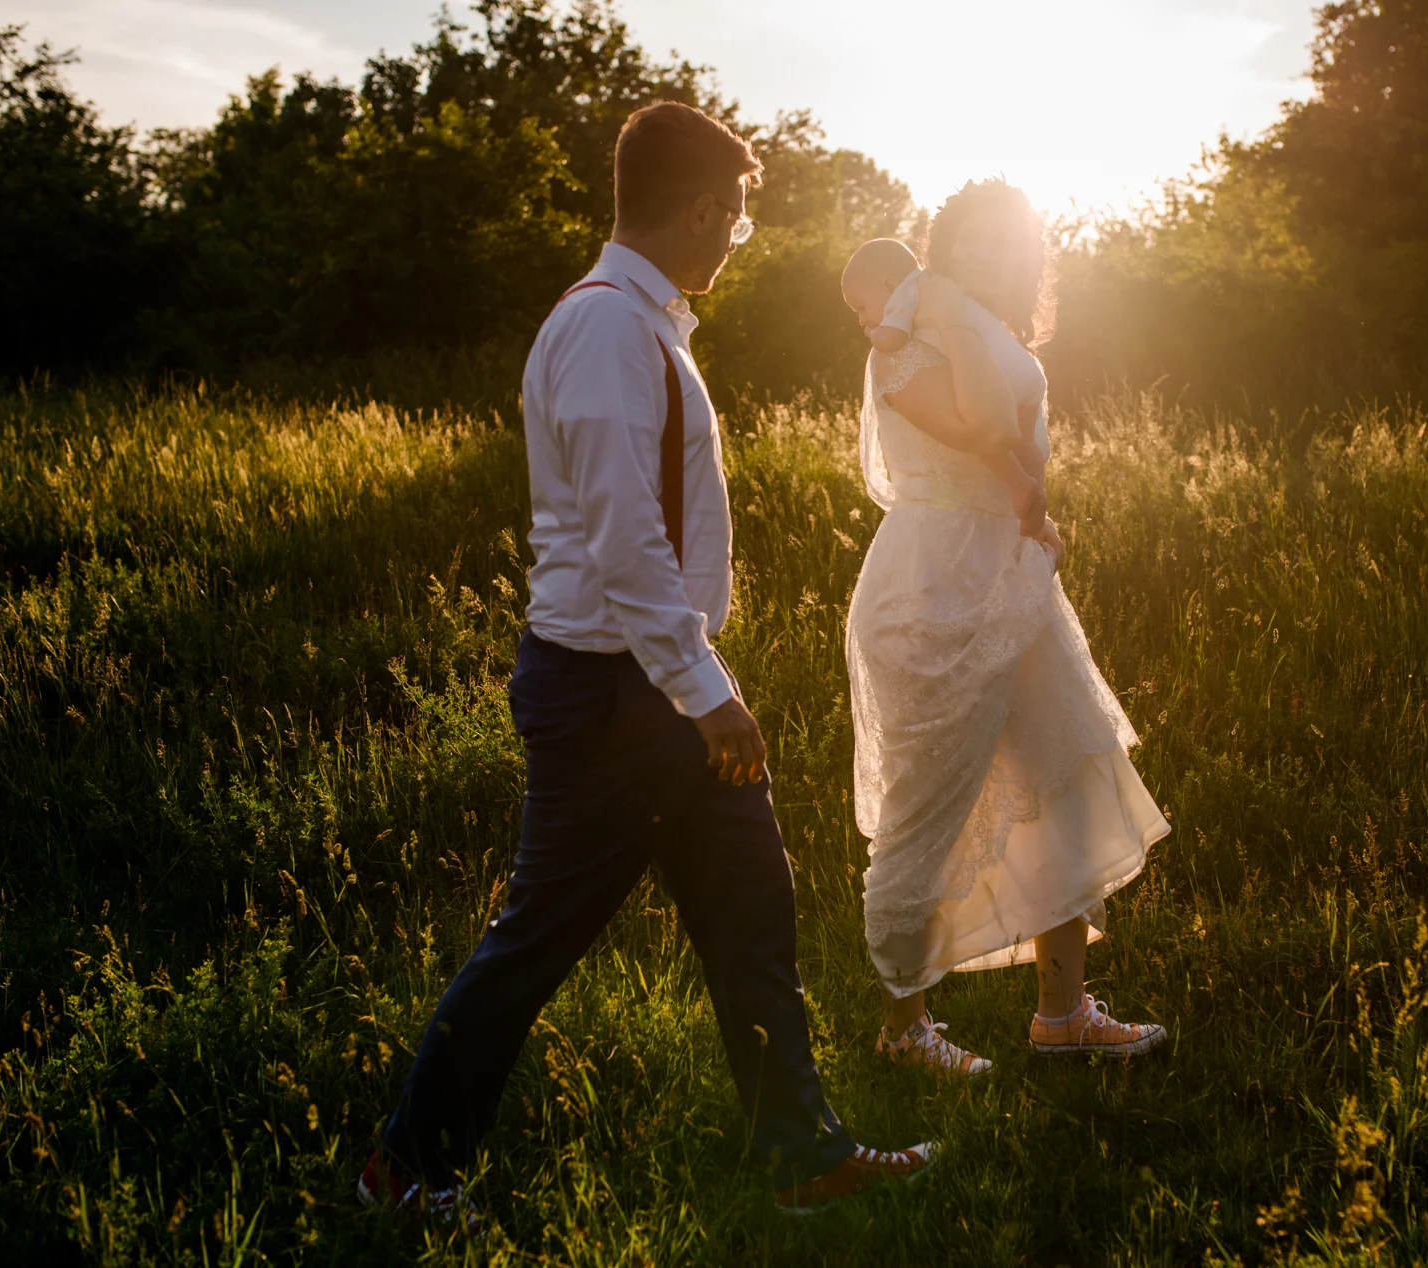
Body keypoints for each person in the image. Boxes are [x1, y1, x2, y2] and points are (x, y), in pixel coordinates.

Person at [359, 101, 934, 1222]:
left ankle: (803, 1155)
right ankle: (406, 1170)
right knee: (538, 940)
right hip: (613, 695)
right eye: (741, 219)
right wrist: (705, 693)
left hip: (655, 683)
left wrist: (695, 681)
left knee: (752, 913)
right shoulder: (606, 329)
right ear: (705, 209)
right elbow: (626, 539)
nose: (739, 240)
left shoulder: (645, 324)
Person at [846, 180, 1172, 1078]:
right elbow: (985, 424)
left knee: (1066, 780)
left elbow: (1017, 451)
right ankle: (904, 1029)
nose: (994, 256)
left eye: (1010, 242)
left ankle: (1062, 1015)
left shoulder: (986, 329)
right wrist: (948, 311)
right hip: (931, 586)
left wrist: (1033, 510)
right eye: (976, 241)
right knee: (925, 809)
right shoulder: (909, 340)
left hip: (1011, 577)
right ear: (944, 250)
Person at [842, 237, 1048, 537]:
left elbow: (893, 337)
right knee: (1027, 445)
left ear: (889, 284)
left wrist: (876, 334)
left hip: (989, 390)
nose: (862, 318)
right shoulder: (947, 289)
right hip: (1020, 375)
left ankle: (1020, 485)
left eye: (861, 307)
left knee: (988, 441)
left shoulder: (907, 294)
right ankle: (1037, 495)